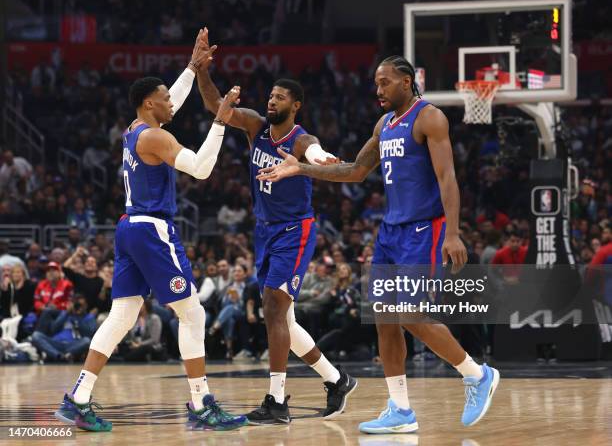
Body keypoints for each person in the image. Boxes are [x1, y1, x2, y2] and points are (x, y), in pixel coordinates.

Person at [257, 55, 500, 433]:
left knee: (410, 315)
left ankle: (476, 374)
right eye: (375, 83)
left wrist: (453, 232)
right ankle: (400, 409)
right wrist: (303, 168)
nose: (378, 90)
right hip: (390, 231)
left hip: (424, 229)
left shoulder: (429, 117)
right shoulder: (384, 124)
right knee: (385, 319)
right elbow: (354, 171)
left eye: (385, 82)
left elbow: (447, 177)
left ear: (406, 81)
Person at [54, 29, 246, 432]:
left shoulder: (133, 128)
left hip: (128, 227)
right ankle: (201, 405)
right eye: (164, 99)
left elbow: (171, 95)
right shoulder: (157, 136)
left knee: (122, 315)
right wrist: (220, 121)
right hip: (153, 230)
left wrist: (193, 68)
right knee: (192, 315)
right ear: (148, 103)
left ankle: (79, 397)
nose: (171, 103)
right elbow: (201, 169)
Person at [197, 29, 357, 424]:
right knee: (282, 319)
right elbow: (216, 106)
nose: (271, 100)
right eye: (270, 95)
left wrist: (322, 159)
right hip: (265, 230)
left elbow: (318, 153)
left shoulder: (302, 139)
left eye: (279, 97)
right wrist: (201, 72)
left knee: (273, 306)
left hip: (294, 230)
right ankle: (337, 380)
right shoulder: (254, 126)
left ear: (295, 106)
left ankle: (277, 400)